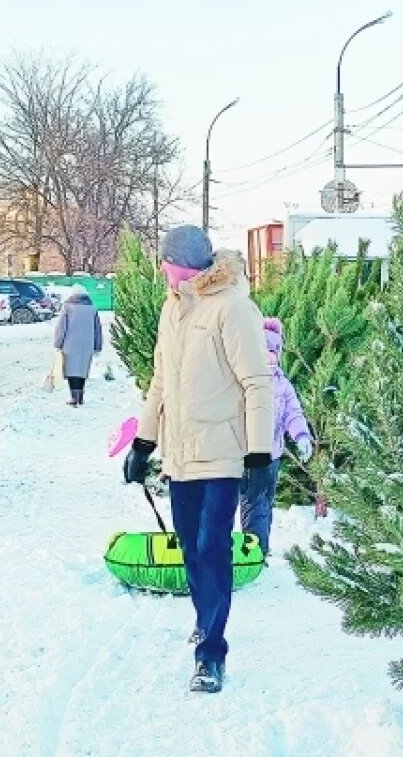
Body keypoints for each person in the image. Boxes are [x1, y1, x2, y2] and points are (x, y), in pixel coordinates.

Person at [123, 225, 273, 694]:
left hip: (224, 453)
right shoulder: (173, 308)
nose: (162, 270)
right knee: (190, 547)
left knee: (212, 547)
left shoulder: (232, 308)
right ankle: (205, 616)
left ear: (180, 263)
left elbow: (257, 384)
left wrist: (259, 455)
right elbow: (160, 382)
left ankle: (211, 652)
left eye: (165, 262)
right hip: (181, 453)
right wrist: (143, 443)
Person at [240, 317, 312, 557]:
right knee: (250, 502)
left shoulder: (283, 385)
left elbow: (293, 413)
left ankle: (259, 549)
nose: (269, 356)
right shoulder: (244, 380)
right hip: (247, 453)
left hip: (272, 454)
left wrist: (301, 435)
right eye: (264, 350)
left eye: (274, 351)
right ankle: (245, 551)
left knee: (263, 502)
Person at [53, 285, 103, 407]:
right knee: (82, 370)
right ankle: (80, 396)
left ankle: (74, 397)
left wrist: (58, 343)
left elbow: (61, 328)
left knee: (71, 371)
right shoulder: (92, 308)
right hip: (87, 344)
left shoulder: (67, 307)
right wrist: (97, 346)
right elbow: (97, 329)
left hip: (70, 344)